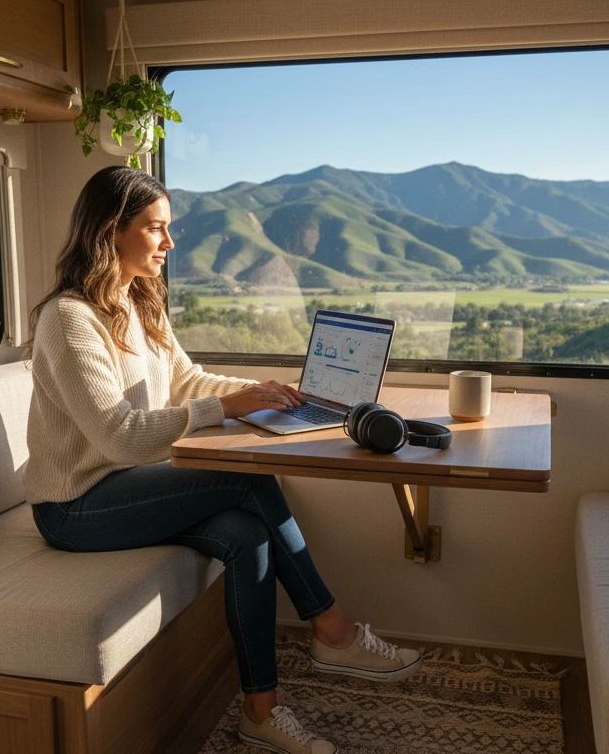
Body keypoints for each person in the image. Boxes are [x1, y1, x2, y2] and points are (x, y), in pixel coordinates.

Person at [23, 166, 422, 754]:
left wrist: (269, 393)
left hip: (130, 485)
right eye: (156, 229)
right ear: (111, 231)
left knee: (246, 536)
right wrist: (226, 410)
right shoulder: (67, 319)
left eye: (168, 228)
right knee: (244, 479)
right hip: (75, 505)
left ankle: (260, 712)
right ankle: (332, 629)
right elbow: (120, 439)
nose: (169, 243)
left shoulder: (137, 302)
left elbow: (185, 380)